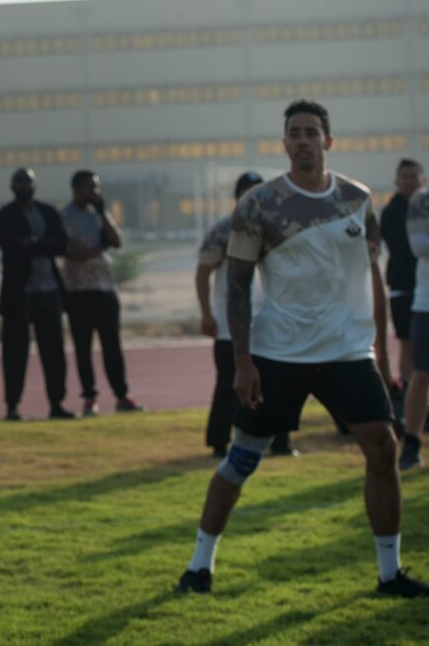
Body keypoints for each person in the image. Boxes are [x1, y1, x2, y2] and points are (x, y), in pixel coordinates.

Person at [176, 100, 428, 598]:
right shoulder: (259, 205)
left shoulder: (357, 198)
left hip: (347, 353)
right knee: (242, 459)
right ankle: (198, 566)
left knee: (383, 449)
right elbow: (237, 287)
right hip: (279, 354)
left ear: (328, 142)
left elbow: (370, 276)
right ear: (285, 143)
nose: (304, 140)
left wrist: (376, 347)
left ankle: (389, 574)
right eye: (295, 133)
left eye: (312, 132)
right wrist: (243, 361)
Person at [195, 172, 296, 459]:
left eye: (258, 192)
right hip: (232, 323)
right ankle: (218, 442)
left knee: (278, 382)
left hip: (271, 319)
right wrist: (205, 313)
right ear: (238, 197)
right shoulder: (223, 230)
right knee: (228, 383)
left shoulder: (280, 227)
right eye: (248, 193)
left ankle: (281, 442)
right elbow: (203, 272)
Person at [60, 170, 143, 417]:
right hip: (78, 291)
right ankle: (89, 398)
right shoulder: (64, 216)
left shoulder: (99, 215)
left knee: (112, 347)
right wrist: (99, 247)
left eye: (96, 187)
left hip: (105, 288)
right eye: (89, 188)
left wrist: (104, 213)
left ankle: (122, 395)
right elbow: (71, 251)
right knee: (83, 347)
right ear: (76, 189)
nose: (94, 193)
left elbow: (116, 241)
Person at [0, 168, 72, 421]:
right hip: (18, 294)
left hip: (49, 291)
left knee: (54, 352)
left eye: (27, 181)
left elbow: (61, 245)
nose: (23, 186)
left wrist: (30, 244)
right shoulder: (4, 216)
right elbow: (11, 248)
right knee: (15, 353)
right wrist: (40, 244)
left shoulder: (48, 213)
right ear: (11, 186)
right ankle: (12, 405)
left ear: (35, 184)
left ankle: (57, 403)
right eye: (19, 182)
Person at [381, 159, 425, 430]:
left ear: (423, 181)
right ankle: (407, 405)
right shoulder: (391, 211)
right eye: (404, 176)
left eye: (414, 176)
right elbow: (406, 246)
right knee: (408, 345)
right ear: (397, 181)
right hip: (403, 287)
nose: (409, 181)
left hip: (425, 288)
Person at [400, 176, 429, 469]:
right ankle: (412, 442)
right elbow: (420, 246)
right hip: (427, 304)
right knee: (421, 375)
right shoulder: (423, 199)